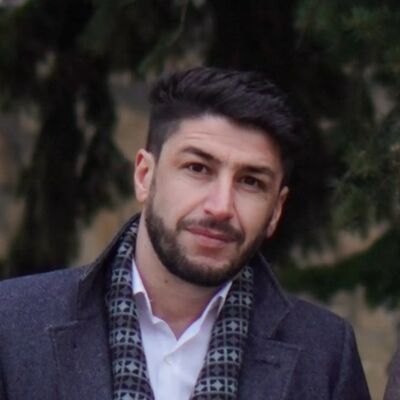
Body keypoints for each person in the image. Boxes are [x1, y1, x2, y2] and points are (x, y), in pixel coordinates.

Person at [0, 67, 370, 400]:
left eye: (250, 182)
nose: (221, 206)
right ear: (145, 176)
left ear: (275, 211)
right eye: (197, 168)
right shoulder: (13, 324)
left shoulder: (325, 353)